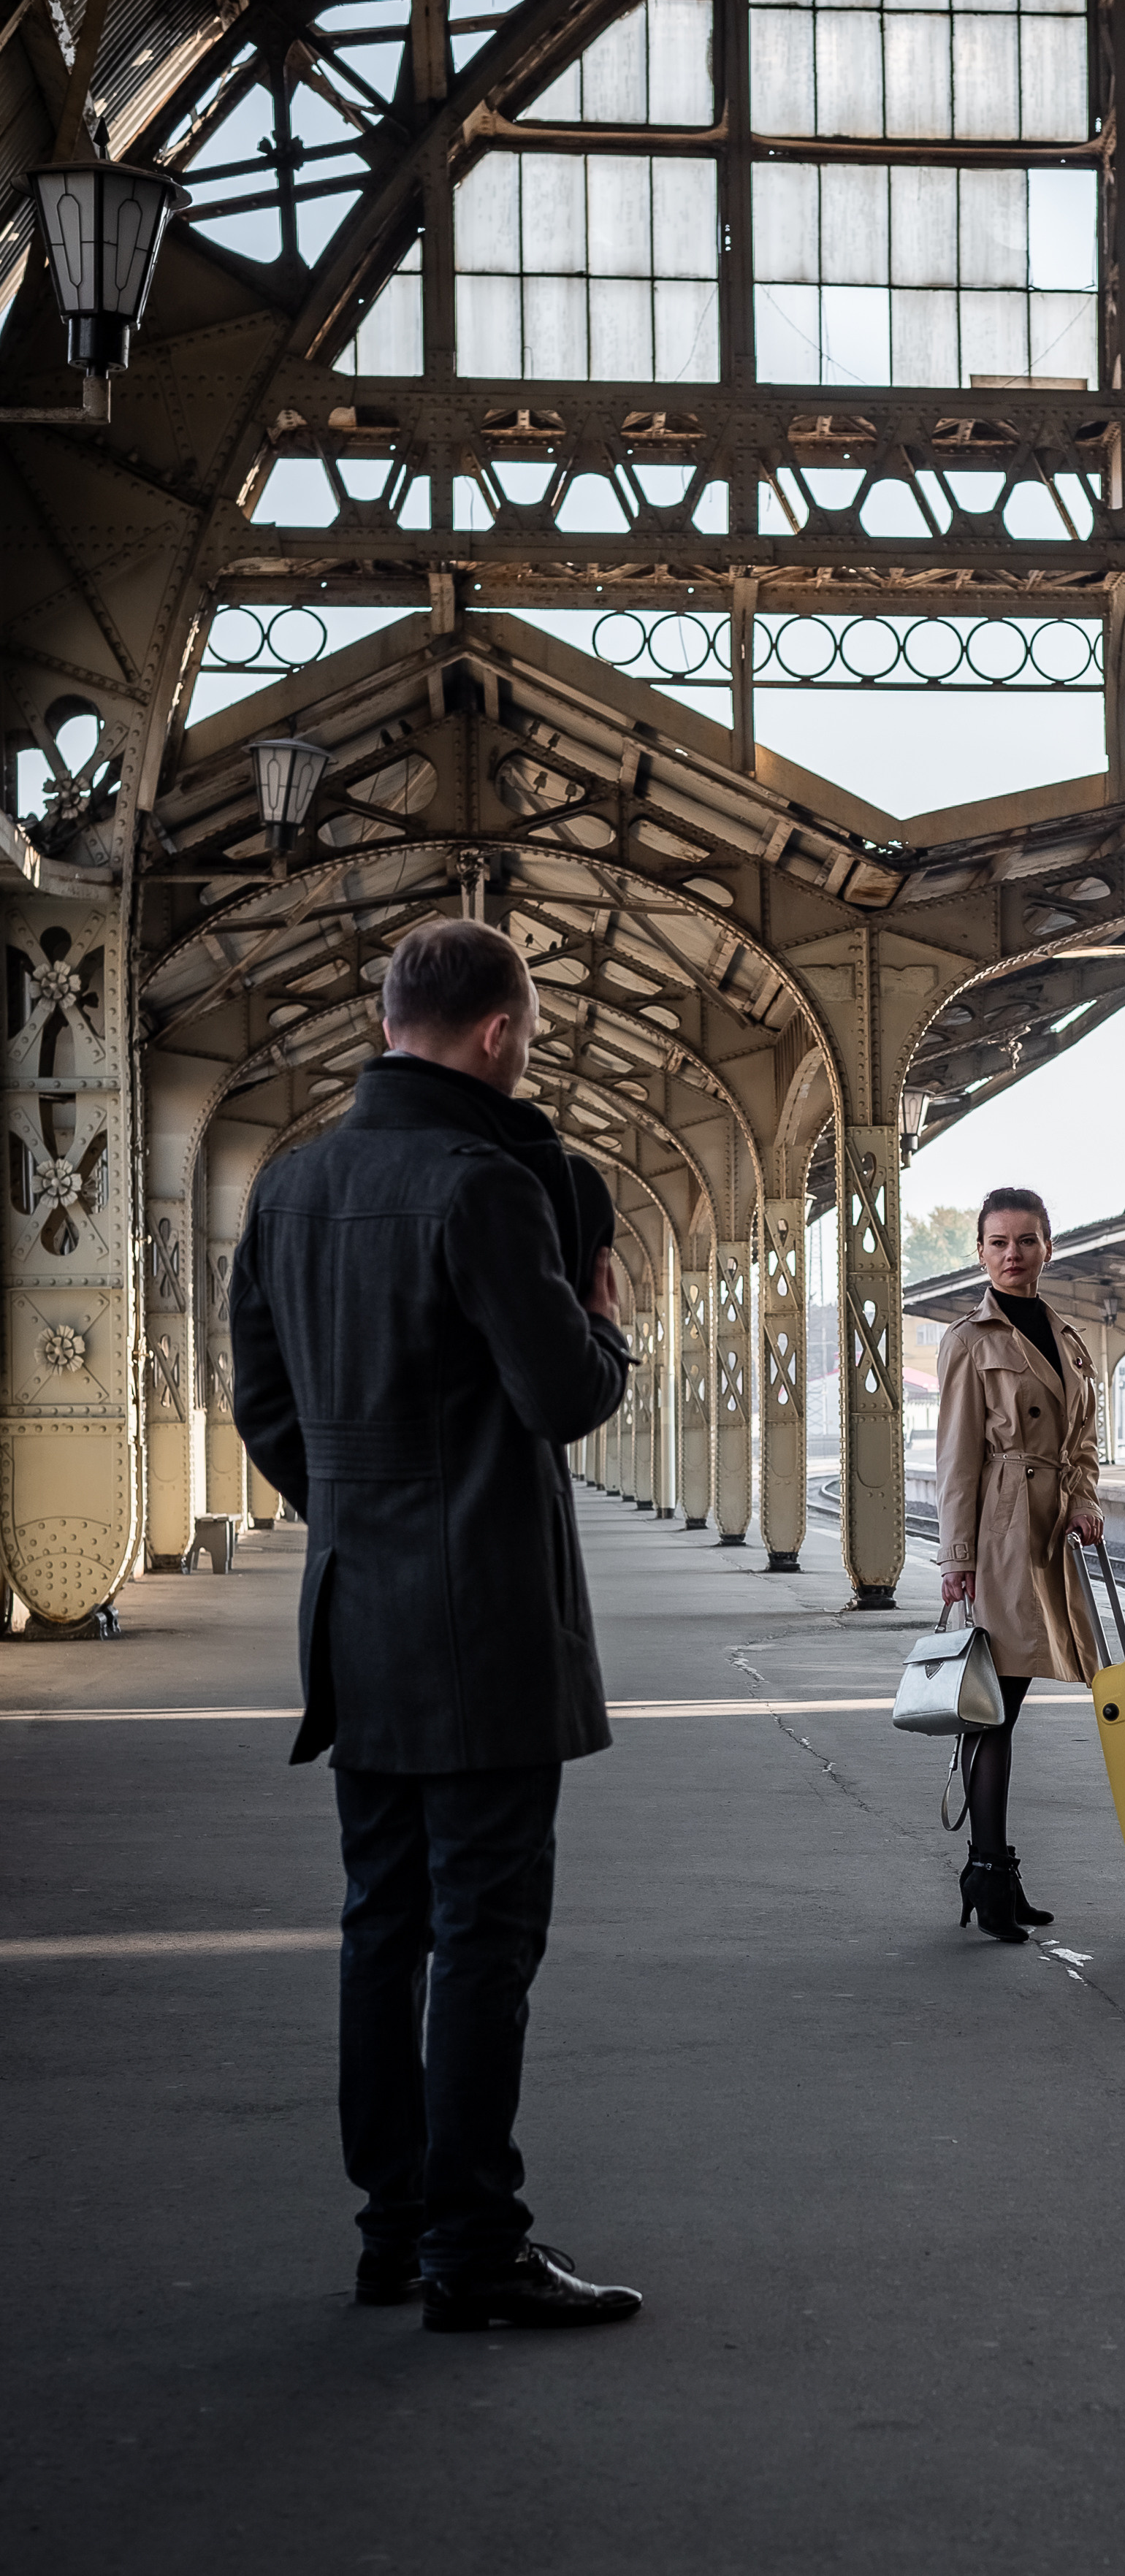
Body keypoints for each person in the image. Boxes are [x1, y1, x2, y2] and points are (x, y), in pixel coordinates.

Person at [230, 918, 639, 2333]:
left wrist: (362, 1509)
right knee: (481, 1937)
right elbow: (564, 1399)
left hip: (360, 1616)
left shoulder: (288, 1192)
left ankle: (389, 2232)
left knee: (379, 1924)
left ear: (388, 1019)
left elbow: (265, 1408)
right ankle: (477, 2246)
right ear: (499, 1032)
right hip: (486, 1635)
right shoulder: (485, 1190)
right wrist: (605, 1321)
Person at [934, 1187, 1104, 1945]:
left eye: (1026, 1240)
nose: (1013, 1254)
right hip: (1003, 1532)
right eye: (998, 1242)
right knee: (994, 1709)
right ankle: (989, 1874)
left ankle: (992, 1871)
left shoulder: (1067, 1336)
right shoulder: (968, 1339)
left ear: (1048, 1247)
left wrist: (1085, 1499)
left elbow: (1085, 1441)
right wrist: (957, 1558)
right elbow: (956, 1459)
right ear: (979, 1252)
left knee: (1005, 1705)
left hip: (1051, 1535)